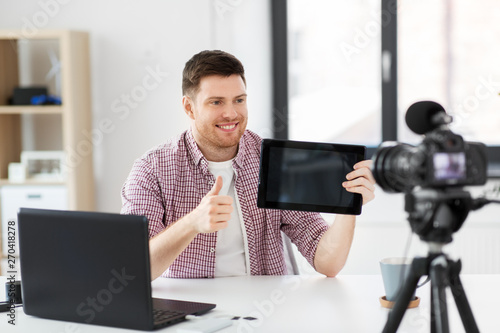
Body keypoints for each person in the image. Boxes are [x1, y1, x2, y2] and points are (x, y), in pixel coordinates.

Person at [121, 50, 376, 280]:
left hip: (265, 309)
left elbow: (328, 263)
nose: (231, 113)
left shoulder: (274, 161)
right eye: (216, 102)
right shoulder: (151, 169)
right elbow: (135, 268)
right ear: (189, 107)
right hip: (193, 310)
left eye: (239, 100)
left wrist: (347, 205)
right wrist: (193, 223)